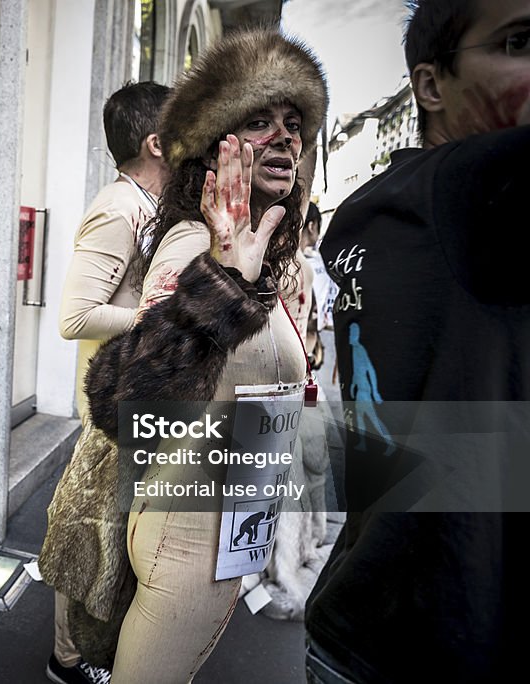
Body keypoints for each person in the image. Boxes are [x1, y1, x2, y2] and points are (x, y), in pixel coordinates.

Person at [48, 29, 326, 681]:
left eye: (295, 122)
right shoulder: (196, 242)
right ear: (212, 142)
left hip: (220, 525)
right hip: (189, 531)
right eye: (259, 120)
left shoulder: (258, 245)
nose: (285, 137)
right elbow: (126, 398)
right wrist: (219, 283)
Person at [305, 0, 530, 680]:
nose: (282, 144)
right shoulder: (467, 190)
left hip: (369, 615)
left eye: (294, 128)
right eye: (519, 42)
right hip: (420, 643)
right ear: (431, 86)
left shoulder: (368, 212)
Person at [43, 79, 170, 684]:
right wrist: (163, 315)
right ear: (156, 142)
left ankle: (89, 653)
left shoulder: (148, 207)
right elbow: (74, 315)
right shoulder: (117, 209)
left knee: (114, 538)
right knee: (87, 532)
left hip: (137, 398)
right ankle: (68, 660)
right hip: (112, 403)